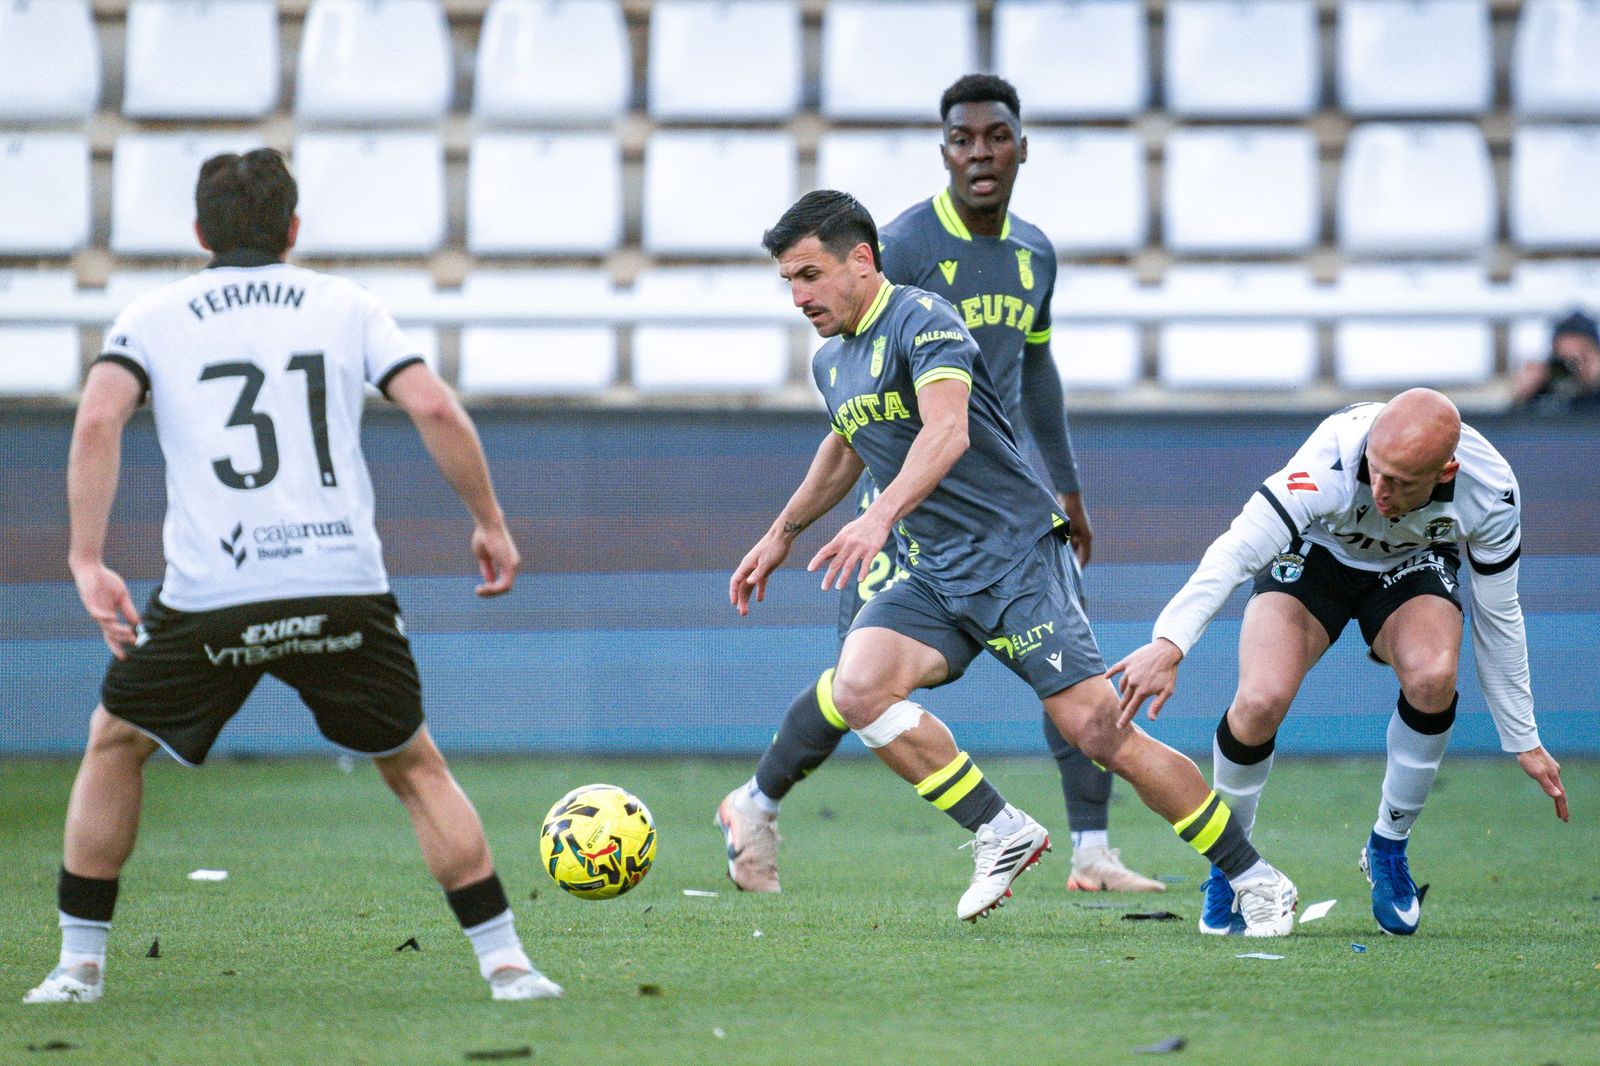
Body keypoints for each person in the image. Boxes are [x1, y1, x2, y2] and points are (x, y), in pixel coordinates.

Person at [24, 149, 560, 1004]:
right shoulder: (344, 304)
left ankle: (77, 967)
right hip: (338, 583)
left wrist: (87, 560)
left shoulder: (154, 315)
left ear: (200, 232)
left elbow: (96, 422)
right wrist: (489, 523)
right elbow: (431, 404)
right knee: (414, 765)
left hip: (211, 594)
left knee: (115, 742)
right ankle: (508, 964)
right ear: (294, 230)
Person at [731, 189, 1298, 931]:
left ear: (861, 261)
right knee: (859, 686)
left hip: (1015, 558)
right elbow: (846, 443)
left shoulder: (923, 318)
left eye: (808, 275)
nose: (799, 296)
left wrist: (878, 516)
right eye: (789, 282)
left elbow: (947, 433)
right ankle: (1001, 831)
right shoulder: (833, 361)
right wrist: (784, 532)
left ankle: (1256, 877)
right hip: (936, 571)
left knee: (1099, 732)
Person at [715, 74, 1162, 898]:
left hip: (1001, 500)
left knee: (1071, 664)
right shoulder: (901, 247)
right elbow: (860, 401)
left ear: (1021, 146)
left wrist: (1067, 486)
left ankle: (1092, 852)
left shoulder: (1034, 252)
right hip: (905, 508)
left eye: (997, 136)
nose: (981, 153)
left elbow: (1036, 371)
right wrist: (813, 525)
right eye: (963, 138)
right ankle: (756, 802)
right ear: (945, 150)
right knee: (859, 680)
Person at [1111, 390, 1569, 937]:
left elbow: (1500, 614)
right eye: (1376, 472)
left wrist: (1523, 736)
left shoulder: (1491, 492)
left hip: (1413, 565)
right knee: (1259, 700)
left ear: (1447, 470)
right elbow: (1235, 550)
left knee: (1433, 676)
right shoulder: (1328, 459)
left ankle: (1388, 846)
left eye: (1401, 481)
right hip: (1316, 558)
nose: (1381, 492)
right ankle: (1233, 867)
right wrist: (1170, 643)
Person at [1513, 310, 1600, 414]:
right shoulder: (1543, 394)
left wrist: (1593, 383)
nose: (1572, 365)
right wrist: (1523, 397)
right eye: (1564, 358)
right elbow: (1512, 425)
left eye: (1582, 355)